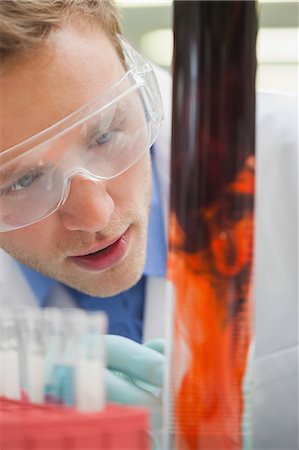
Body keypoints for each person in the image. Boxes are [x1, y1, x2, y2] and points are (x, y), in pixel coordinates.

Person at [0, 1, 297, 448]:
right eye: (22, 181)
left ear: (136, 82)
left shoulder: (286, 160)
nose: (96, 215)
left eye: (104, 134)